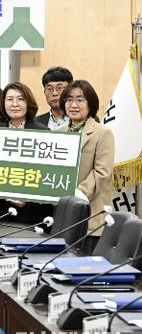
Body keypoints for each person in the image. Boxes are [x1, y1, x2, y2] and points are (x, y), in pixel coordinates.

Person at [0, 82, 52, 223]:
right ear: (3, 103)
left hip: (30, 212)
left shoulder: (43, 132)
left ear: (28, 102)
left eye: (20, 99)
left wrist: (29, 199)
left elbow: (47, 175)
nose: (15, 104)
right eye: (9, 99)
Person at [60, 80, 114, 249]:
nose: (73, 105)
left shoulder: (102, 132)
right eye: (69, 99)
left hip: (90, 215)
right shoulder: (59, 133)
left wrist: (76, 195)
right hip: (63, 216)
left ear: (90, 104)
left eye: (80, 100)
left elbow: (102, 172)